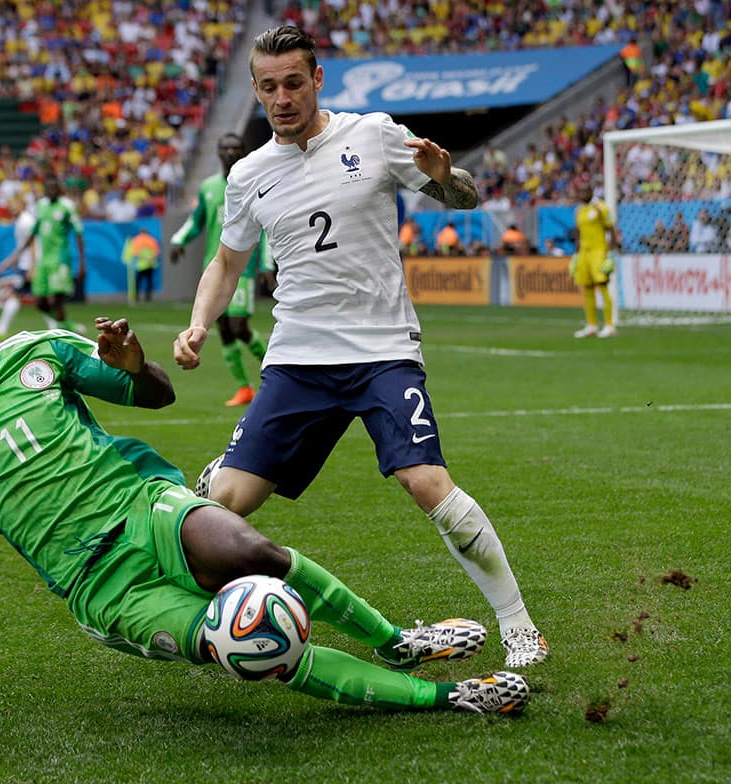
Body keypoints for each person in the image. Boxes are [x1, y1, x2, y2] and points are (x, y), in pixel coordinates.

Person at [0, 281, 529, 716]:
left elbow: (156, 397)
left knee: (254, 552)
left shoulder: (42, 352)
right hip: (96, 581)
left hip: (143, 504)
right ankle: (450, 698)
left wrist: (134, 365)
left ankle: (396, 641)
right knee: (252, 648)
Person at [173, 26, 547, 669]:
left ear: (317, 79)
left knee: (425, 480)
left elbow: (463, 196)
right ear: (257, 92)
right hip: (298, 359)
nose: (282, 98)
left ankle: (519, 627)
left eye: (294, 82)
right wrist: (199, 324)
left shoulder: (372, 133)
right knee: (225, 506)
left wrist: (441, 176)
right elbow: (226, 262)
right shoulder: (249, 175)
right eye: (268, 88)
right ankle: (202, 617)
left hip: (381, 349)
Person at [170, 133, 272, 407]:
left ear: (243, 151)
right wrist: (179, 240)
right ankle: (243, 388)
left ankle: (273, 373)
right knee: (225, 329)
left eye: (235, 148)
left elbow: (265, 228)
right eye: (225, 147)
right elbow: (197, 221)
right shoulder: (208, 188)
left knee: (239, 326)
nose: (229, 152)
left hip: (243, 268)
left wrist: (266, 263)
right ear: (218, 152)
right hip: (214, 268)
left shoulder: (254, 183)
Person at [2, 177, 86, 335]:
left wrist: (82, 263)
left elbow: (79, 234)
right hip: (43, 261)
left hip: (60, 260)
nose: (51, 191)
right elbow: (33, 234)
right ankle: (67, 326)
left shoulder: (67, 206)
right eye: (48, 189)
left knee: (56, 301)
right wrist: (16, 256)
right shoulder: (41, 206)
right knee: (40, 302)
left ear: (59, 190)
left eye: (54, 188)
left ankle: (63, 334)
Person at [571, 183, 618, 339]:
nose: (583, 194)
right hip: (584, 253)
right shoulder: (579, 211)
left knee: (603, 286)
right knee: (587, 287)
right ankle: (591, 325)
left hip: (599, 251)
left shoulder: (601, 208)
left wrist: (611, 253)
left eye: (586, 191)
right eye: (581, 191)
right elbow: (578, 232)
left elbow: (610, 229)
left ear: (591, 192)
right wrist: (576, 254)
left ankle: (610, 325)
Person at [0, 196, 36, 339]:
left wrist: (33, 267)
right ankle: (57, 325)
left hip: (28, 265)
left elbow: (33, 244)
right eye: (10, 205)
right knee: (40, 299)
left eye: (15, 205)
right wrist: (10, 261)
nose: (12, 208)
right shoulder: (21, 221)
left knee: (15, 295)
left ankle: (2, 328)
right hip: (25, 263)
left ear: (22, 205)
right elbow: (23, 246)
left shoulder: (26, 221)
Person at [122, 228, 161, 303]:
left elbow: (135, 253)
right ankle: (148, 298)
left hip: (141, 265)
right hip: (151, 264)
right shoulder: (152, 239)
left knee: (138, 281)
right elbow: (156, 252)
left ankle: (136, 297)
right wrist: (150, 259)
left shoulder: (136, 240)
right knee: (149, 281)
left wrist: (144, 259)